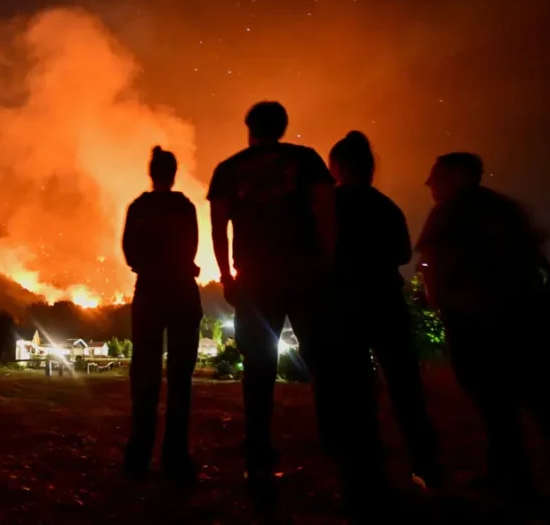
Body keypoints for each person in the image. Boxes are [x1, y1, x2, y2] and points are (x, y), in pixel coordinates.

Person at [208, 101, 385, 509]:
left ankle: (258, 459)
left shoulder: (228, 169)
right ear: (283, 126)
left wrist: (228, 276)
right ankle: (342, 449)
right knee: (325, 362)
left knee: (258, 369)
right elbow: (326, 214)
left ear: (249, 128)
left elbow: (218, 228)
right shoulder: (305, 160)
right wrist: (326, 263)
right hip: (306, 274)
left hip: (255, 279)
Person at [417, 152, 550, 503]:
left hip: (474, 321)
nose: (428, 183)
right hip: (522, 318)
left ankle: (514, 477)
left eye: (435, 174)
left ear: (455, 176)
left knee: (493, 403)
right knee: (548, 401)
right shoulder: (505, 210)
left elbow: (435, 266)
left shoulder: (448, 214)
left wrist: (440, 301)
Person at [328, 131, 442, 490]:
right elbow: (404, 255)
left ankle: (364, 465)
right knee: (405, 385)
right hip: (385, 300)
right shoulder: (386, 206)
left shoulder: (328, 204)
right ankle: (425, 463)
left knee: (354, 386)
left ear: (338, 167)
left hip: (346, 303)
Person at [122, 146, 204, 481]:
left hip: (149, 292)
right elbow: (193, 247)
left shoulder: (139, 207)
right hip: (183, 291)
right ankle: (175, 455)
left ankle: (139, 453)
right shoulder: (185, 207)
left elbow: (129, 252)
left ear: (152, 173)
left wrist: (148, 266)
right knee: (180, 379)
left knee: (145, 375)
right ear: (173, 173)